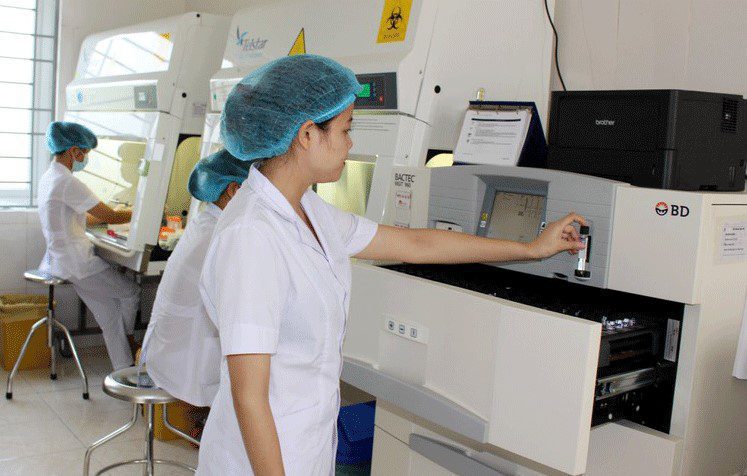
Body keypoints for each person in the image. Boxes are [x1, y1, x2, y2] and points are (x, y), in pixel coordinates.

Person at [196, 54, 587, 475]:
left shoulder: (308, 210)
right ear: (307, 134)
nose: (350, 144)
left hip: (303, 449)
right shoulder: (252, 236)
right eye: (346, 130)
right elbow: (250, 397)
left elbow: (416, 243)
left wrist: (531, 248)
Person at [140, 149, 251, 406]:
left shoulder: (206, 222)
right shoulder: (220, 234)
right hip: (186, 362)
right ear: (233, 190)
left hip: (171, 351)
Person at [38, 121, 140, 371]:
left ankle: (123, 369)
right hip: (78, 263)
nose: (85, 158)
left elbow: (82, 217)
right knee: (130, 292)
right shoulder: (66, 181)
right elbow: (109, 215)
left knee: (110, 317)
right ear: (74, 151)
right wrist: (143, 213)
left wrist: (116, 214)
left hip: (62, 261)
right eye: (84, 152)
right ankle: (130, 341)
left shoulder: (50, 177)